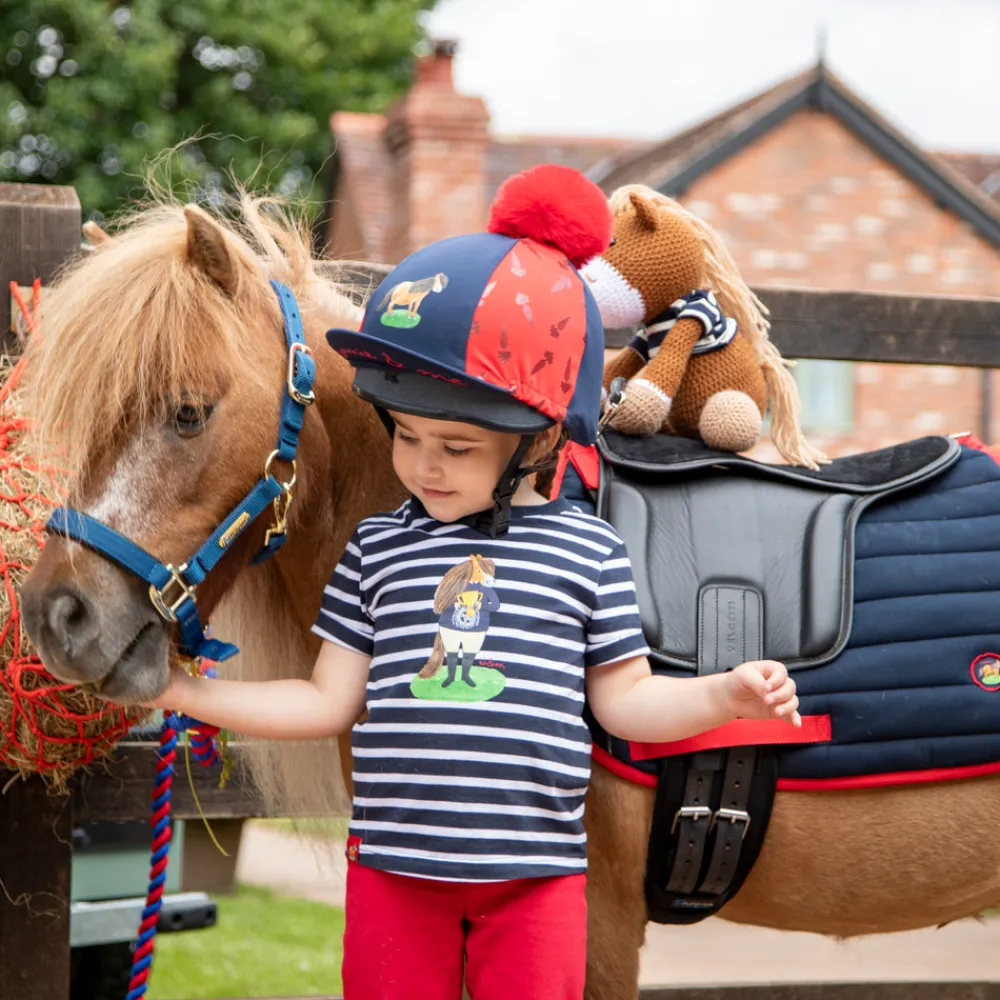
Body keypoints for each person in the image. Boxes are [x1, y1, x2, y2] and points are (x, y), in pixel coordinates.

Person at [150, 165, 799, 1000]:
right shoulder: (377, 551)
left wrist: (724, 696)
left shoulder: (588, 553)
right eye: (407, 435)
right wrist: (182, 692)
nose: (424, 465)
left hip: (536, 889)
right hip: (394, 879)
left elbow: (625, 705)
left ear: (535, 438)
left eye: (455, 447)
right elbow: (323, 703)